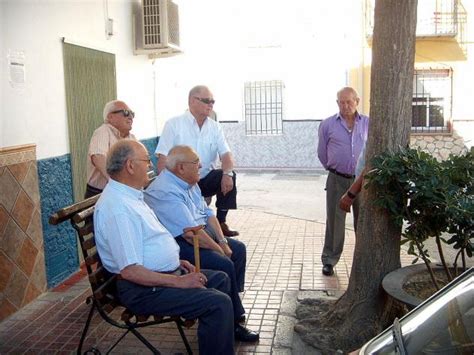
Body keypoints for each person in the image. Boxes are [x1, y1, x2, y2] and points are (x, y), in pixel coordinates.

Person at [94, 139, 235, 354]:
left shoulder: (130, 196)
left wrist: (177, 262)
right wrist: (179, 281)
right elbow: (130, 270)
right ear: (130, 166)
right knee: (218, 303)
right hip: (143, 290)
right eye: (146, 160)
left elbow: (145, 244)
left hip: (158, 276)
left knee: (220, 279)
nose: (151, 165)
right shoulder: (118, 208)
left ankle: (214, 345)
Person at [144, 145, 259, 343]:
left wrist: (222, 241)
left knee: (237, 249)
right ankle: (232, 323)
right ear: (180, 167)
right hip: (181, 242)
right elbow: (191, 234)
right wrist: (220, 250)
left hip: (199, 233)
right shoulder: (165, 191)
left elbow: (207, 214)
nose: (201, 166)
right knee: (223, 263)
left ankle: (233, 307)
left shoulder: (190, 181)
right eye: (196, 163)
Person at [154, 85, 239, 237]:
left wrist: (228, 174)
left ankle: (221, 222)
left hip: (204, 179)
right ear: (193, 101)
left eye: (213, 101)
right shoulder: (174, 124)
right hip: (182, 184)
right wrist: (165, 187)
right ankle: (192, 229)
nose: (211, 104)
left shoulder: (215, 128)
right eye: (207, 101)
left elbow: (226, 155)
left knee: (228, 174)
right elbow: (163, 160)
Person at [317, 87, 369, 276]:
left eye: (349, 101)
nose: (345, 105)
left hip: (363, 181)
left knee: (362, 221)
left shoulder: (368, 123)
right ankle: (329, 260)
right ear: (337, 102)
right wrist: (334, 168)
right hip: (337, 179)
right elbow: (322, 153)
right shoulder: (327, 125)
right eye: (341, 102)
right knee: (335, 222)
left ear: (357, 101)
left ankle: (364, 261)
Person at [85, 100, 137, 198]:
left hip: (126, 192)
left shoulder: (132, 137)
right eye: (126, 112)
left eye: (132, 114)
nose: (130, 117)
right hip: (100, 195)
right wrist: (117, 184)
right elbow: (98, 157)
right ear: (110, 117)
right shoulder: (103, 131)